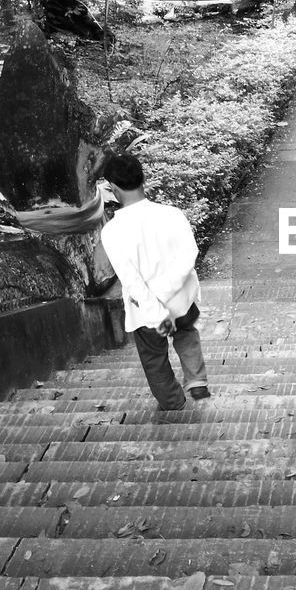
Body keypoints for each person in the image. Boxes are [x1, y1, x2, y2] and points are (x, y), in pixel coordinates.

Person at [99, 153, 210, 411]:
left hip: (148, 313)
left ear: (113, 188)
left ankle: (173, 402)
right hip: (181, 302)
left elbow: (131, 280)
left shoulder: (112, 231)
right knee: (186, 334)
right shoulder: (171, 214)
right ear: (142, 179)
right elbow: (189, 255)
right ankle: (196, 380)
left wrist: (156, 307)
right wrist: (167, 293)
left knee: (154, 358)